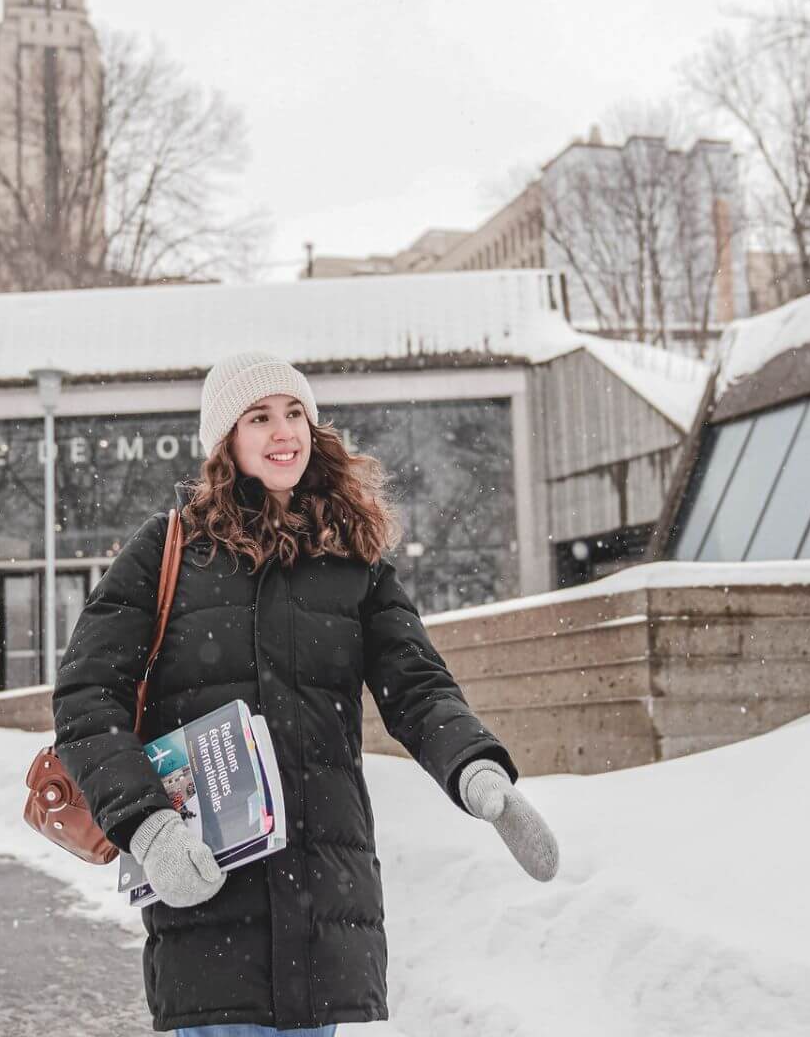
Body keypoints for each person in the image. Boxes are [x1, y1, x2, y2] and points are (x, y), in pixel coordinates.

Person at [52, 350, 559, 1036]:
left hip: (325, 907)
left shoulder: (355, 561)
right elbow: (87, 698)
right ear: (226, 440)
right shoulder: (169, 549)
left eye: (294, 413)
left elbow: (416, 683)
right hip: (211, 903)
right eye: (258, 417)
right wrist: (150, 826)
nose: (282, 430)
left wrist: (476, 768)